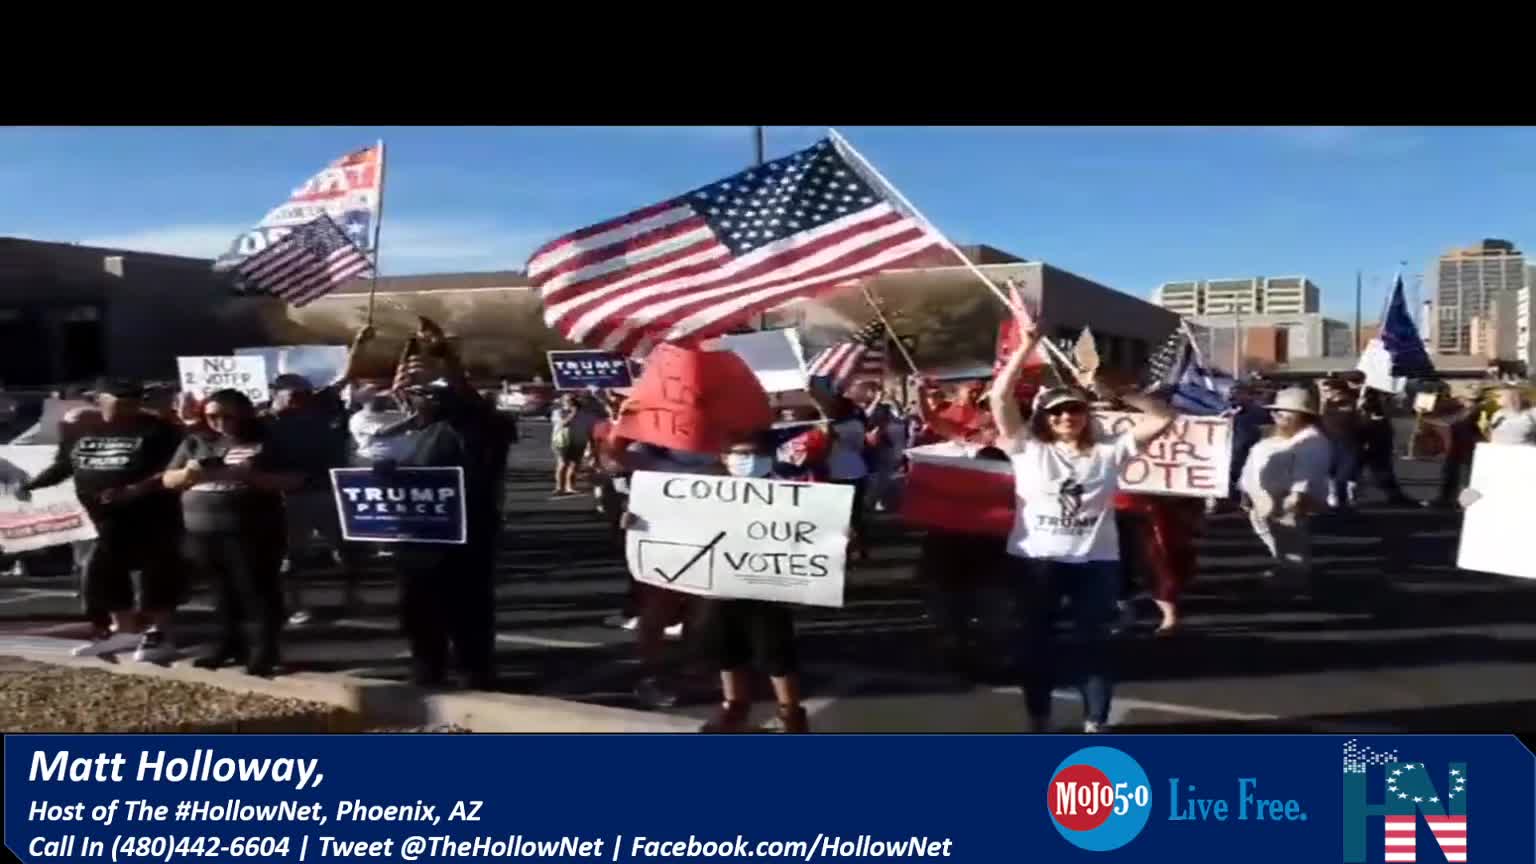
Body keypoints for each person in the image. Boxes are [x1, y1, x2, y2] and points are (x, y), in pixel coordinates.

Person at [991, 325, 1175, 734]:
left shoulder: (1111, 451)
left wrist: (1113, 388)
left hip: (1096, 564)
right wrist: (1025, 347)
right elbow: (999, 398)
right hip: (1036, 562)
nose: (1065, 417)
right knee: (1036, 645)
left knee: (1094, 646)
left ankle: (1096, 721)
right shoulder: (1027, 449)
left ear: (1086, 413)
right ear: (1044, 418)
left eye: (1074, 409)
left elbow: (1163, 417)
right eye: (1056, 412)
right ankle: (1038, 719)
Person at [385, 320, 513, 689]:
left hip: (466, 534)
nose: (416, 398)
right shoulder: (418, 432)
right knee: (418, 608)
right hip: (418, 535)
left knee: (467, 607)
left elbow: (466, 402)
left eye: (426, 394)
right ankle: (427, 668)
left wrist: (446, 360)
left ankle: (476, 672)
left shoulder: (481, 426)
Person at [18, 380, 185, 661]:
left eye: (132, 404)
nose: (126, 411)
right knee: (104, 573)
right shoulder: (82, 431)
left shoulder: (161, 430)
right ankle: (124, 630)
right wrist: (32, 486)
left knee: (154, 574)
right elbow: (64, 466)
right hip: (100, 517)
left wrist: (135, 490)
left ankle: (159, 634)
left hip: (150, 516)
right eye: (118, 405)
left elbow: (175, 469)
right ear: (99, 402)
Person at [163, 389, 305, 676]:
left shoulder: (267, 440)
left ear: (244, 413)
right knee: (221, 592)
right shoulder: (197, 441)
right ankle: (229, 645)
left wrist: (250, 476)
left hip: (252, 529)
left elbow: (295, 479)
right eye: (213, 416)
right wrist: (189, 473)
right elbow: (168, 479)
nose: (220, 422)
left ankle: (265, 650)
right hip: (203, 529)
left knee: (257, 590)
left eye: (228, 416)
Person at [689, 431, 810, 733]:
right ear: (724, 458)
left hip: (767, 583)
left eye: (755, 454)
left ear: (769, 458)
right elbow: (677, 525)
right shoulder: (705, 491)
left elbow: (814, 527)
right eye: (741, 454)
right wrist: (640, 523)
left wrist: (839, 535)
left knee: (775, 649)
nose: (749, 461)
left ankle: (791, 713)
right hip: (719, 584)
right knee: (725, 648)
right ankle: (734, 706)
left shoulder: (787, 490)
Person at [267, 372, 359, 627]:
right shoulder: (263, 423)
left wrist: (362, 343)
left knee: (346, 551)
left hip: (328, 492)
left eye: (306, 395)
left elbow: (345, 377)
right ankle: (296, 605)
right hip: (289, 498)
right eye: (295, 395)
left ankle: (352, 599)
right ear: (276, 393)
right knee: (291, 558)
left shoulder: (318, 410)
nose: (302, 400)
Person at [1238, 387, 1331, 592]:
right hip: (1265, 499)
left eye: (1284, 411)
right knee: (1274, 536)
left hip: (1285, 499)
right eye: (1275, 411)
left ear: (1301, 414)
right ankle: (1284, 567)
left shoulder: (1312, 441)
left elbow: (1308, 472)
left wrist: (1295, 496)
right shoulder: (1279, 437)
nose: (1276, 415)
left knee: (1291, 539)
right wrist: (1246, 491)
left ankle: (1295, 579)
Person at [806, 378, 871, 561]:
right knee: (856, 513)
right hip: (858, 470)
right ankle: (861, 547)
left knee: (841, 516)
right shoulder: (857, 425)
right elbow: (861, 446)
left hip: (837, 473)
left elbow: (824, 449)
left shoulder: (832, 427)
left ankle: (849, 548)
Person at [550, 392, 597, 496]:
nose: (571, 402)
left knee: (575, 464)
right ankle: (559, 488)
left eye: (573, 400)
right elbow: (564, 424)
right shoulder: (558, 412)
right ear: (563, 402)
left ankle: (570, 487)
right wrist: (573, 413)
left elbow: (589, 431)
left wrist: (592, 445)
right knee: (563, 463)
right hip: (561, 441)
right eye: (568, 400)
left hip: (579, 441)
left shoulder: (587, 416)